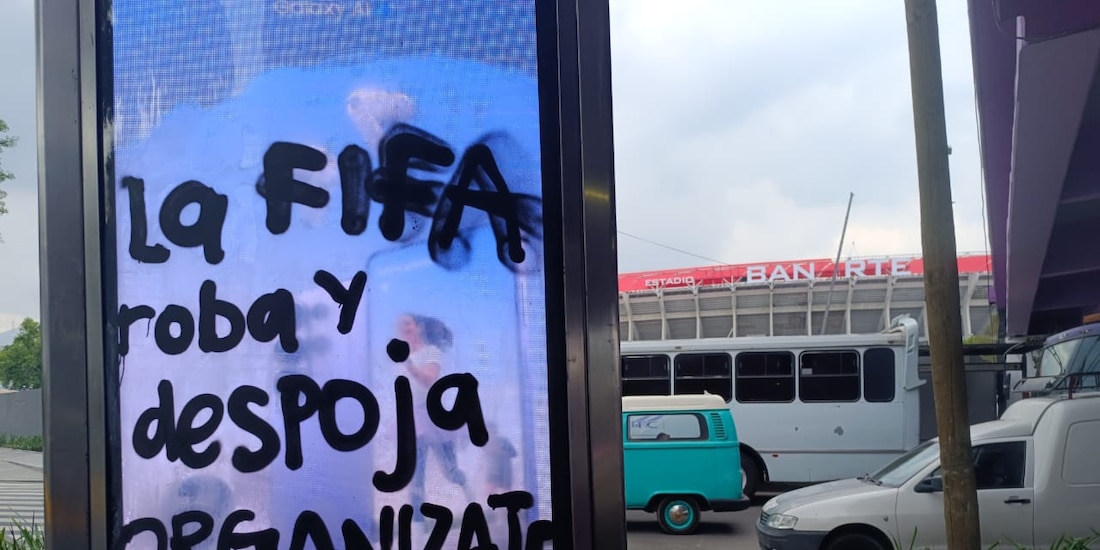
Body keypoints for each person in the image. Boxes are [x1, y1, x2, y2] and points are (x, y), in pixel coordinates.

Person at [396, 313, 474, 526]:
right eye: (400, 325)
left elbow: (430, 380)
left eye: (407, 324)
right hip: (412, 419)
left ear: (418, 326)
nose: (403, 328)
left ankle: (471, 497)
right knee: (415, 471)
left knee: (451, 471)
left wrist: (409, 365)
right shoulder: (401, 358)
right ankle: (417, 523)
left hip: (434, 417)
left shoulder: (431, 352)